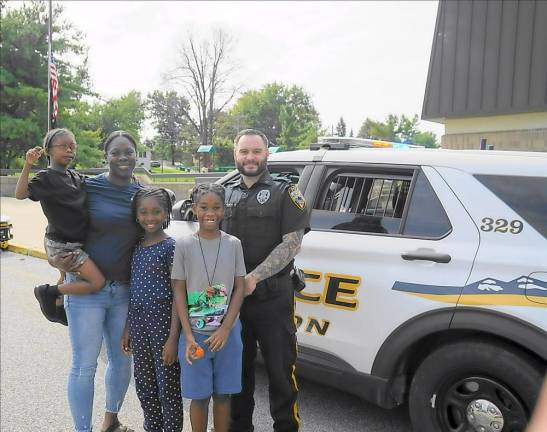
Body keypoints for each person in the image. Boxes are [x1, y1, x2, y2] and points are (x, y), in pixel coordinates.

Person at [49, 130, 142, 432]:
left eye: (128, 151)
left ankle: (111, 420)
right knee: (84, 366)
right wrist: (59, 265)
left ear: (136, 154)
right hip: (87, 290)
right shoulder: (88, 187)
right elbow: (59, 221)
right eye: (116, 152)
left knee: (122, 361)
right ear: (106, 156)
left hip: (124, 291)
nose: (123, 157)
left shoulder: (141, 193)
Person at [224, 129, 310, 432]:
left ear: (266, 154)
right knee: (236, 373)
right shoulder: (224, 192)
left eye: (256, 151)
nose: (250, 157)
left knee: (280, 372)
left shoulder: (286, 192)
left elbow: (292, 244)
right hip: (232, 301)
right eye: (244, 151)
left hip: (273, 298)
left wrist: (254, 277)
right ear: (235, 154)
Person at [172, 183, 246, 432]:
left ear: (224, 211)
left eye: (216, 207)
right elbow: (179, 291)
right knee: (199, 397)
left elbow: (239, 288)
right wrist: (189, 336)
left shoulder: (233, 244)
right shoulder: (183, 245)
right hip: (195, 335)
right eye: (203, 207)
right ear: (194, 209)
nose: (210, 213)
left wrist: (226, 329)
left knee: (223, 395)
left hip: (227, 335)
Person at [14, 128, 105, 324]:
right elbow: (20, 194)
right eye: (63, 146)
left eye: (73, 146)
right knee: (97, 281)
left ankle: (57, 309)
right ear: (48, 151)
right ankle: (48, 293)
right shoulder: (46, 178)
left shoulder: (75, 177)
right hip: (62, 244)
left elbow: (98, 185)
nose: (69, 150)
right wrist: (28, 165)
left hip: (73, 240)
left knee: (68, 276)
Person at [121, 187, 183, 432]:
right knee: (145, 385)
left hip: (163, 327)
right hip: (138, 326)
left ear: (166, 212)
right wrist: (127, 328)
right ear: (136, 215)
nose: (150, 218)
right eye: (144, 212)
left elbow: (179, 295)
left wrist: (172, 338)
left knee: (167, 386)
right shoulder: (136, 247)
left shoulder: (171, 247)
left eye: (156, 212)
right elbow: (133, 291)